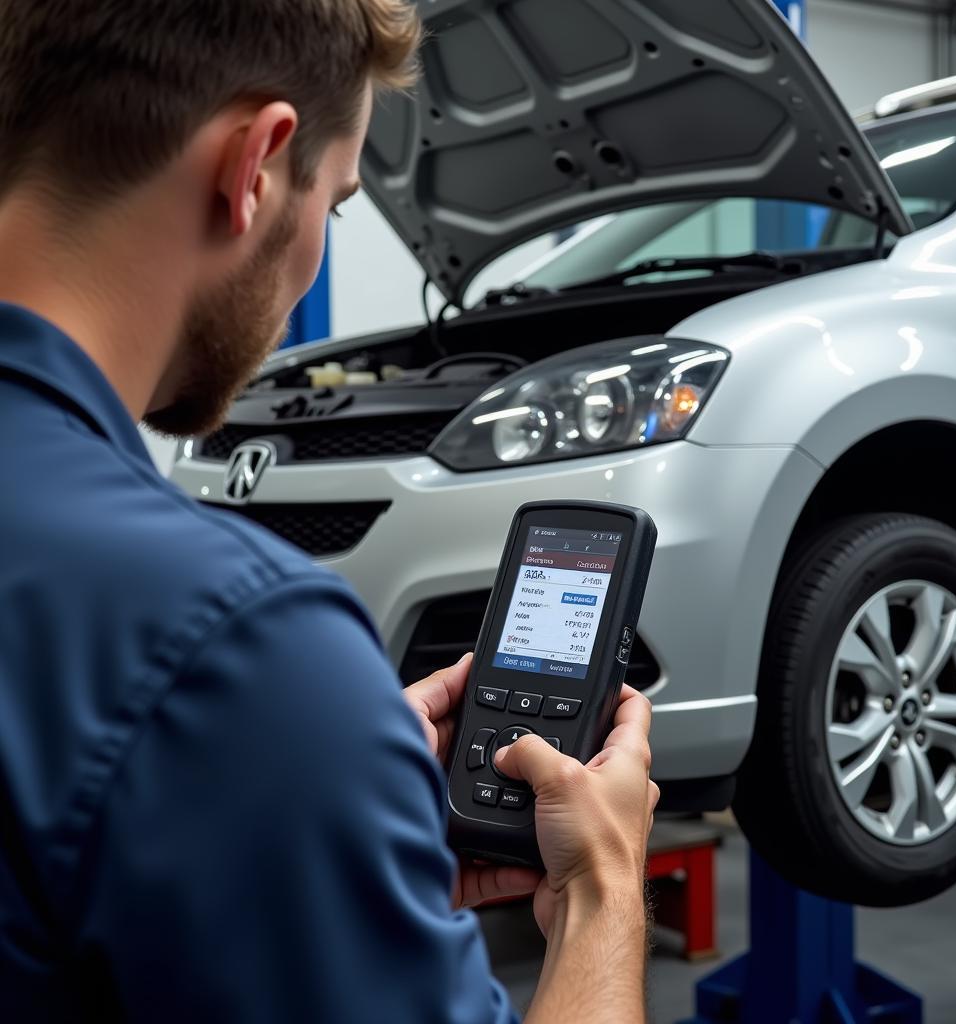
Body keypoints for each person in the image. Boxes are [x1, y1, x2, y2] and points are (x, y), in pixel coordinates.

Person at [0, 1, 659, 1021]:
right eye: (338, 201)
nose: (314, 244)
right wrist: (604, 890)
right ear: (255, 167)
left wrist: (325, 846)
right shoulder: (233, 644)